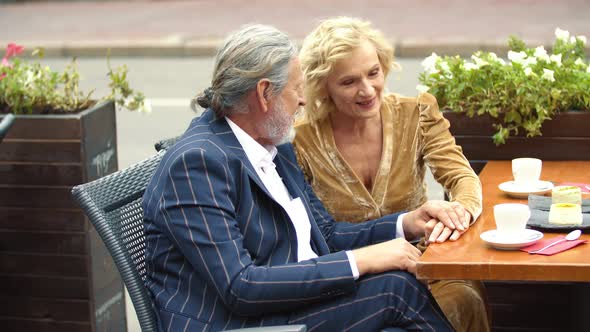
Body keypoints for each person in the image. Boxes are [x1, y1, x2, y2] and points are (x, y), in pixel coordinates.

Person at [142, 24, 462, 331]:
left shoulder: (272, 146)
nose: (304, 101)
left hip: (291, 306)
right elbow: (241, 286)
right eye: (297, 89)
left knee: (398, 297)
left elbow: (324, 234)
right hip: (238, 323)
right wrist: (362, 260)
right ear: (265, 93)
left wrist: (406, 223)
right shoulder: (197, 163)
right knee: (396, 288)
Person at [293, 17, 489, 332]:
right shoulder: (300, 140)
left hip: (426, 266)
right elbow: (312, 234)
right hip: (354, 280)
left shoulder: (418, 114)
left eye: (374, 72)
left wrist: (459, 211)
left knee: (462, 299)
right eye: (349, 82)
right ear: (322, 86)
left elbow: (462, 178)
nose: (368, 90)